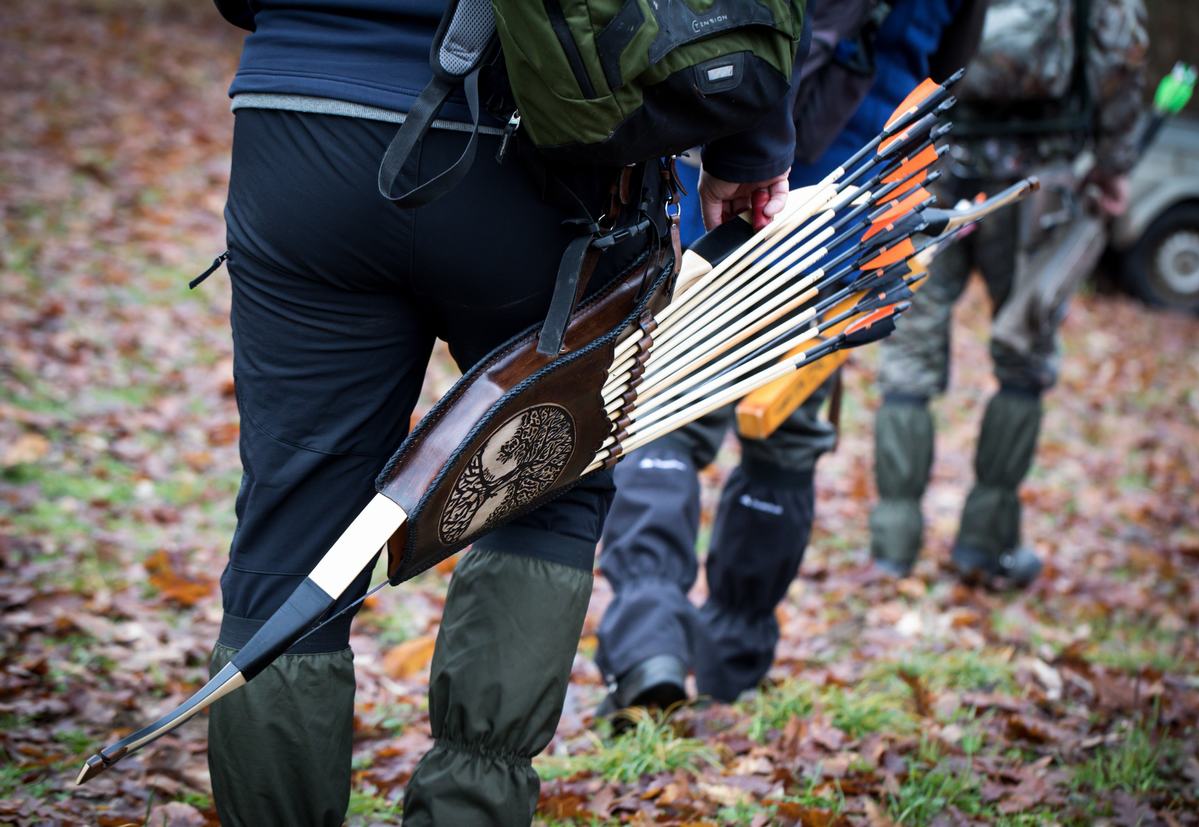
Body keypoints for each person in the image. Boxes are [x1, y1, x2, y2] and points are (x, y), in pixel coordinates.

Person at [203, 2, 802, 825]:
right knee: (546, 484)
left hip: (302, 130)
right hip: (541, 152)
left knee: (293, 512)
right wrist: (749, 146)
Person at [595, 0, 988, 712]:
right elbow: (947, 75)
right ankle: (731, 666)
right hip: (844, 210)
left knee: (667, 418)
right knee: (776, 437)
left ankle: (651, 645)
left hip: (740, 184)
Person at [868, 0, 1148, 583]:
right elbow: (1120, 62)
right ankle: (985, 545)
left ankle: (892, 550)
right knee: (1023, 353)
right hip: (1040, 182)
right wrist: (1114, 164)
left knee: (908, 356)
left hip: (932, 167)